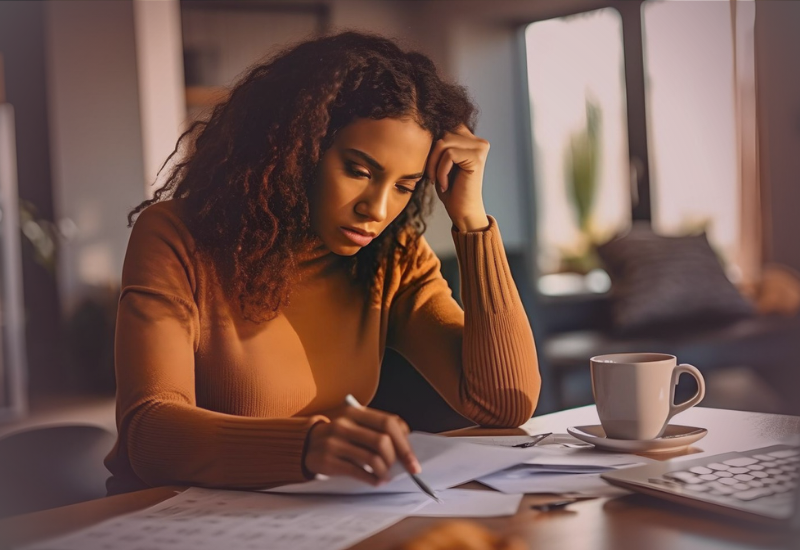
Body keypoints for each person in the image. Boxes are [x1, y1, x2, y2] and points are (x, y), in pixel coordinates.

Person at [104, 31, 540, 495]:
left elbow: (503, 404)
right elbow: (148, 435)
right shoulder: (177, 237)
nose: (376, 209)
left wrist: (472, 221)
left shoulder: (392, 258)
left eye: (405, 185)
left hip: (314, 517)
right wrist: (308, 446)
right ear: (298, 148)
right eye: (359, 171)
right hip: (169, 521)